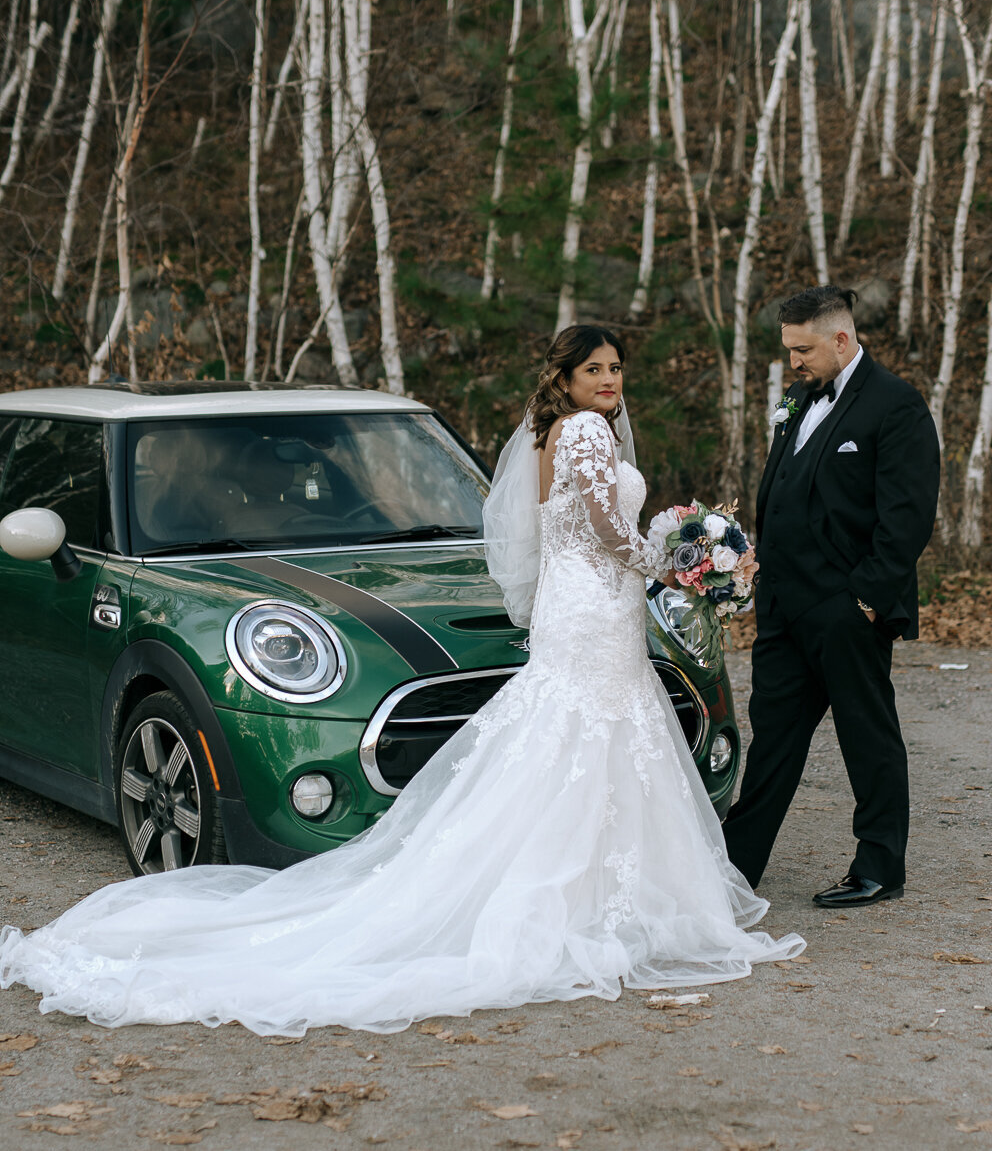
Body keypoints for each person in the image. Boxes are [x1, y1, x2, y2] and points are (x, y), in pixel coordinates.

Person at [0, 324, 803, 1036]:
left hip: (588, 610)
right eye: (594, 367)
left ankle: (588, 897)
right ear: (565, 377)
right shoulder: (585, 434)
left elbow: (546, 520)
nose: (609, 380)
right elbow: (599, 520)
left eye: (616, 368)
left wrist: (668, 571)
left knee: (574, 747)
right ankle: (601, 904)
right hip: (592, 605)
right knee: (581, 745)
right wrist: (670, 563)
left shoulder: (558, 431)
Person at [723, 287, 940, 908]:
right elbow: (787, 493)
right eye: (789, 348)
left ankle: (880, 867)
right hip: (784, 607)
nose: (793, 361)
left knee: (866, 737)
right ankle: (736, 869)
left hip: (847, 610)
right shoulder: (798, 399)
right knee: (774, 739)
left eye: (803, 348)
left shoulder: (896, 406)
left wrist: (865, 601)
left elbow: (907, 518)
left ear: (840, 339)